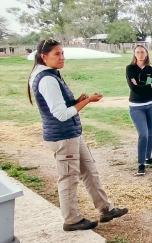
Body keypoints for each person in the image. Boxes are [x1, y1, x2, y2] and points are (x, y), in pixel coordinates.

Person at [28, 39, 128, 231]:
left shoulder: (48, 75)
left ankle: (106, 208)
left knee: (89, 171)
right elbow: (61, 114)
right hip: (63, 136)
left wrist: (76, 100)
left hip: (70, 134)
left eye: (62, 53)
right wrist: (88, 101)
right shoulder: (47, 79)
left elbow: (61, 106)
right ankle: (71, 219)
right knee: (68, 178)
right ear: (43, 57)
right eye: (56, 54)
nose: (62, 58)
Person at [126, 45, 152, 176]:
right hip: (136, 107)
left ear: (146, 54)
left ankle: (147, 158)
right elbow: (133, 89)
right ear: (134, 54)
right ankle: (141, 164)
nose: (140, 54)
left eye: (142, 52)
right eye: (138, 52)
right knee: (143, 135)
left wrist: (140, 85)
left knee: (150, 133)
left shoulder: (151, 70)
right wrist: (148, 86)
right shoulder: (130, 69)